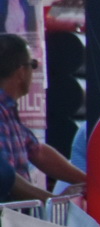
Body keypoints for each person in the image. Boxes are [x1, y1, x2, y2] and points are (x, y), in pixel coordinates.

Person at [0, 36, 82, 192]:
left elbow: (37, 151)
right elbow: (5, 177)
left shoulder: (8, 110)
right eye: (33, 65)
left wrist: (87, 182)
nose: (33, 71)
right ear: (21, 72)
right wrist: (49, 200)